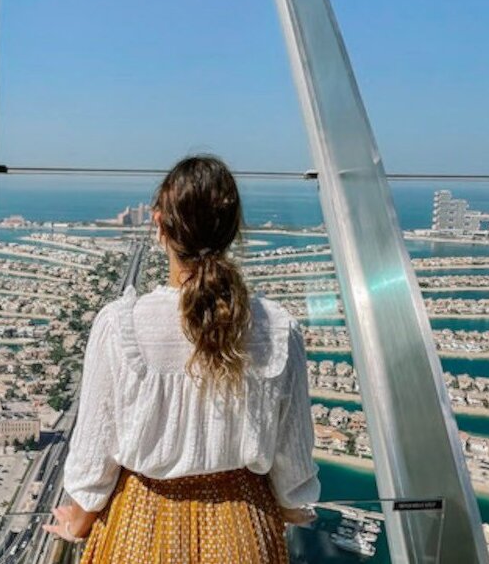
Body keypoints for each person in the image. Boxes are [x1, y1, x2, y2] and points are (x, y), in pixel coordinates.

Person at [44, 155, 319, 563]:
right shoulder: (278, 328)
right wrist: (291, 508)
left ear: (159, 225)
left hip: (139, 527)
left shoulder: (121, 325)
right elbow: (292, 459)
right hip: (243, 532)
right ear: (232, 231)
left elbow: (94, 449)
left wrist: (80, 519)